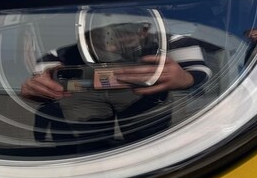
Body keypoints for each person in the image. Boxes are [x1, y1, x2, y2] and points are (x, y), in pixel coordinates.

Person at [21, 20, 212, 152]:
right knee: (90, 146)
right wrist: (37, 88)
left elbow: (201, 72)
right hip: (88, 119)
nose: (111, 44)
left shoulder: (173, 42)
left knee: (151, 144)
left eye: (124, 35)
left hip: (147, 110)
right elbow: (41, 79)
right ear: (85, 35)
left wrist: (184, 78)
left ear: (143, 30)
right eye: (100, 36)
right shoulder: (62, 53)